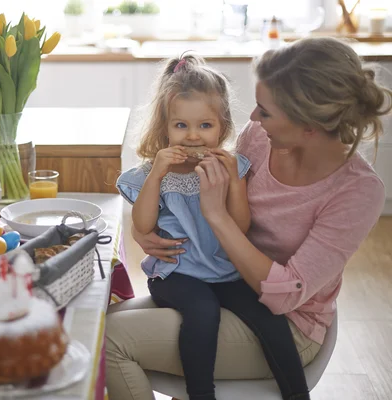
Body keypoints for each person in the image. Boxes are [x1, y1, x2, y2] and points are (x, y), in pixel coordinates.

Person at [106, 37, 390, 400]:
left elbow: (285, 293)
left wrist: (216, 215)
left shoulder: (357, 192)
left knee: (111, 340)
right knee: (103, 324)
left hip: (286, 318)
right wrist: (144, 232)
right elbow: (185, 207)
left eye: (265, 111)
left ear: (308, 125)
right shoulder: (261, 136)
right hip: (217, 278)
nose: (252, 119)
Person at [115, 53, 312, 400]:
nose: (193, 137)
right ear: (164, 127)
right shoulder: (149, 174)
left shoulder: (232, 168)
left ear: (222, 127)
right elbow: (143, 224)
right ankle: (201, 394)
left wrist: (234, 182)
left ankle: (297, 395)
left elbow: (239, 226)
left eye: (205, 126)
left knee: (269, 315)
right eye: (181, 126)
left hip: (227, 271)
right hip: (176, 274)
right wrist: (157, 172)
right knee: (203, 311)